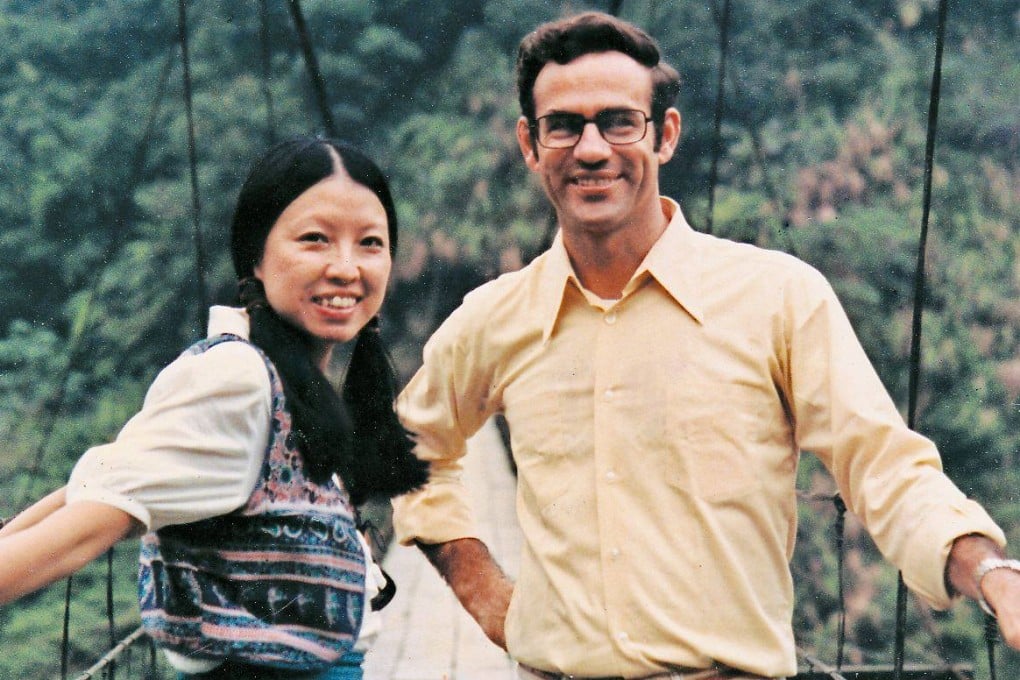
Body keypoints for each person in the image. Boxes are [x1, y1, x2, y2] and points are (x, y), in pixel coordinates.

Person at [391, 11, 1020, 680]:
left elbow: (882, 468)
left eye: (619, 122)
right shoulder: (495, 318)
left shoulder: (776, 297)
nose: (593, 149)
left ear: (665, 135)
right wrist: (481, 587)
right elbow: (403, 447)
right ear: (530, 143)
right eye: (564, 125)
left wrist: (990, 571)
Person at [0, 136, 429, 679]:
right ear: (256, 256)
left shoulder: (286, 381)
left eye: (370, 242)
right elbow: (89, 525)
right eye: (315, 239)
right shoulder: (239, 380)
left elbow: (104, 477)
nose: (347, 268)